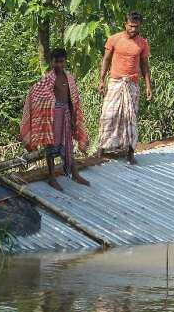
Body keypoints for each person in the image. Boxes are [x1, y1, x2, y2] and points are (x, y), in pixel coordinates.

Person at [21, 48, 90, 191]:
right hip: (51, 117)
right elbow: (35, 95)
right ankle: (52, 177)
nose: (58, 65)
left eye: (61, 62)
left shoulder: (69, 78)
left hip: (65, 115)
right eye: (55, 62)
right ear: (51, 62)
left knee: (69, 145)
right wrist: (44, 112)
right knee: (51, 145)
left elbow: (73, 99)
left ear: (65, 62)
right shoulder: (48, 79)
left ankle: (75, 173)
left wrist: (72, 116)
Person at [96, 11, 152, 165]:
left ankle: (130, 152)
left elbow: (145, 66)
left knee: (130, 118)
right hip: (115, 82)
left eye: (137, 27)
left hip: (132, 84)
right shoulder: (114, 39)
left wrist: (148, 86)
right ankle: (101, 149)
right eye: (131, 26)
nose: (134, 29)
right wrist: (101, 80)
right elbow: (106, 60)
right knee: (109, 114)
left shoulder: (142, 43)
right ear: (125, 24)